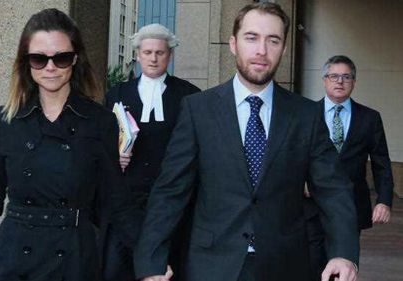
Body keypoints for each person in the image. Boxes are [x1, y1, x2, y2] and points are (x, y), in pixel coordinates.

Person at [133, 3, 359, 281]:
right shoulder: (198, 109)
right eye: (251, 38)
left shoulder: (305, 115)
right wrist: (150, 262)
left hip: (285, 265)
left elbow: (333, 188)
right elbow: (170, 191)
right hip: (210, 265)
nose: (261, 50)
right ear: (233, 44)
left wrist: (344, 253)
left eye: (272, 40)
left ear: (284, 48)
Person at [0, 8, 138, 281]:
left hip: (73, 260)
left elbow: (117, 202)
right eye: (39, 59)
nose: (50, 67)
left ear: (75, 60)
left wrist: (150, 259)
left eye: (61, 58)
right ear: (26, 62)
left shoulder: (99, 122)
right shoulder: (6, 121)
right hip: (13, 259)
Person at [104, 23, 200, 281]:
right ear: (137, 55)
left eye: (160, 52)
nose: (154, 58)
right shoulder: (116, 94)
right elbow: (101, 145)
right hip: (127, 200)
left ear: (169, 55)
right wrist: (115, 155)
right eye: (147, 52)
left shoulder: (189, 95)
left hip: (173, 200)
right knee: (116, 268)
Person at [306, 55, 394, 280]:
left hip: (350, 206)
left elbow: (381, 163)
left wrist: (384, 200)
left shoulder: (370, 118)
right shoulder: (305, 114)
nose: (340, 81)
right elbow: (291, 156)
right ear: (324, 80)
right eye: (334, 76)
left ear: (354, 82)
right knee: (312, 261)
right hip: (310, 203)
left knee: (343, 265)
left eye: (346, 77)